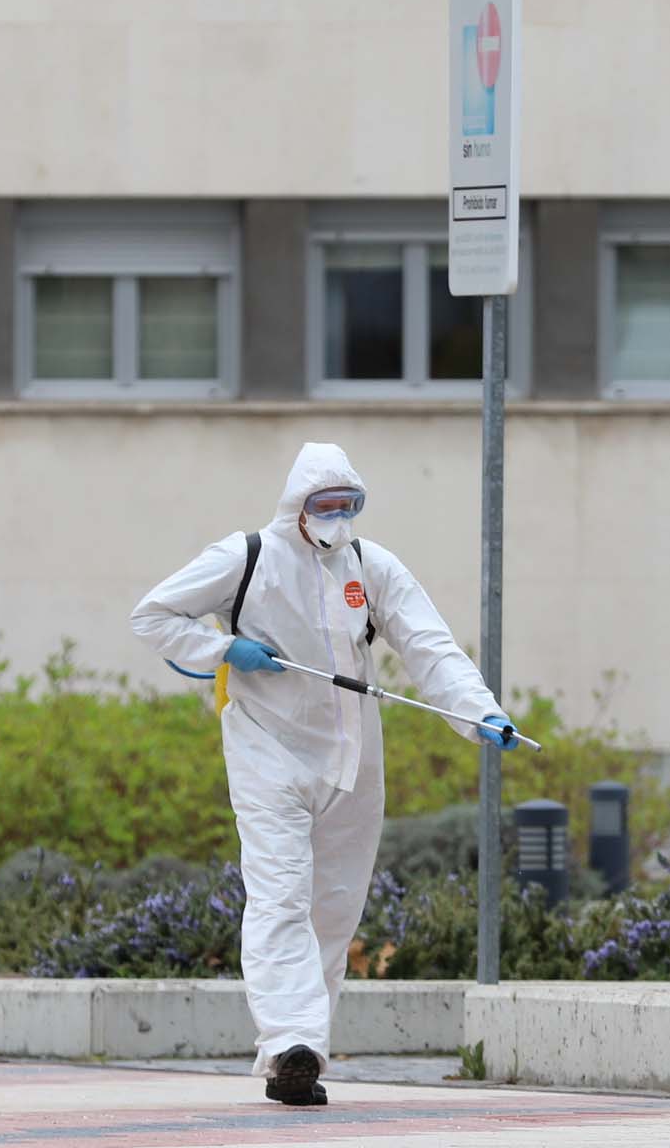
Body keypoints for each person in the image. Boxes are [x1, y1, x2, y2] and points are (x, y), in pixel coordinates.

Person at [131, 442, 515, 1108]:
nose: (336, 517)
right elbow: (153, 616)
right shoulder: (246, 558)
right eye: (324, 505)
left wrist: (480, 713)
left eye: (348, 505)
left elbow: (429, 645)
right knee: (280, 891)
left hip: (354, 759)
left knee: (334, 908)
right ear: (296, 506)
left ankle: (300, 1054)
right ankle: (290, 1040)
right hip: (267, 751)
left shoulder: (372, 567)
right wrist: (227, 650)